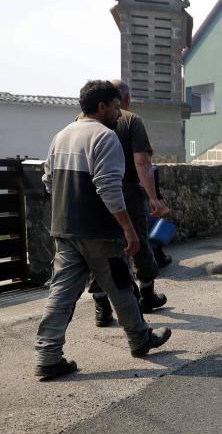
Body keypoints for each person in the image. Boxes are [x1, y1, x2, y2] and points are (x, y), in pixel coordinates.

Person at [35, 80, 171, 380]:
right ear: (101, 107)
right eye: (115, 105)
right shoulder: (104, 137)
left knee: (61, 292)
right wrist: (129, 229)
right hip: (100, 230)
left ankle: (47, 356)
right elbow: (108, 187)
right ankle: (139, 339)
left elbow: (48, 181)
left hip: (65, 228)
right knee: (121, 285)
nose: (119, 111)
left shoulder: (61, 135)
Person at [88, 79, 169, 326]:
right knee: (138, 243)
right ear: (125, 99)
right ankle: (146, 296)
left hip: (94, 192)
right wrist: (154, 198)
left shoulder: (84, 121)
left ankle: (102, 307)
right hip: (126, 191)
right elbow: (141, 163)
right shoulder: (131, 120)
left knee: (99, 248)